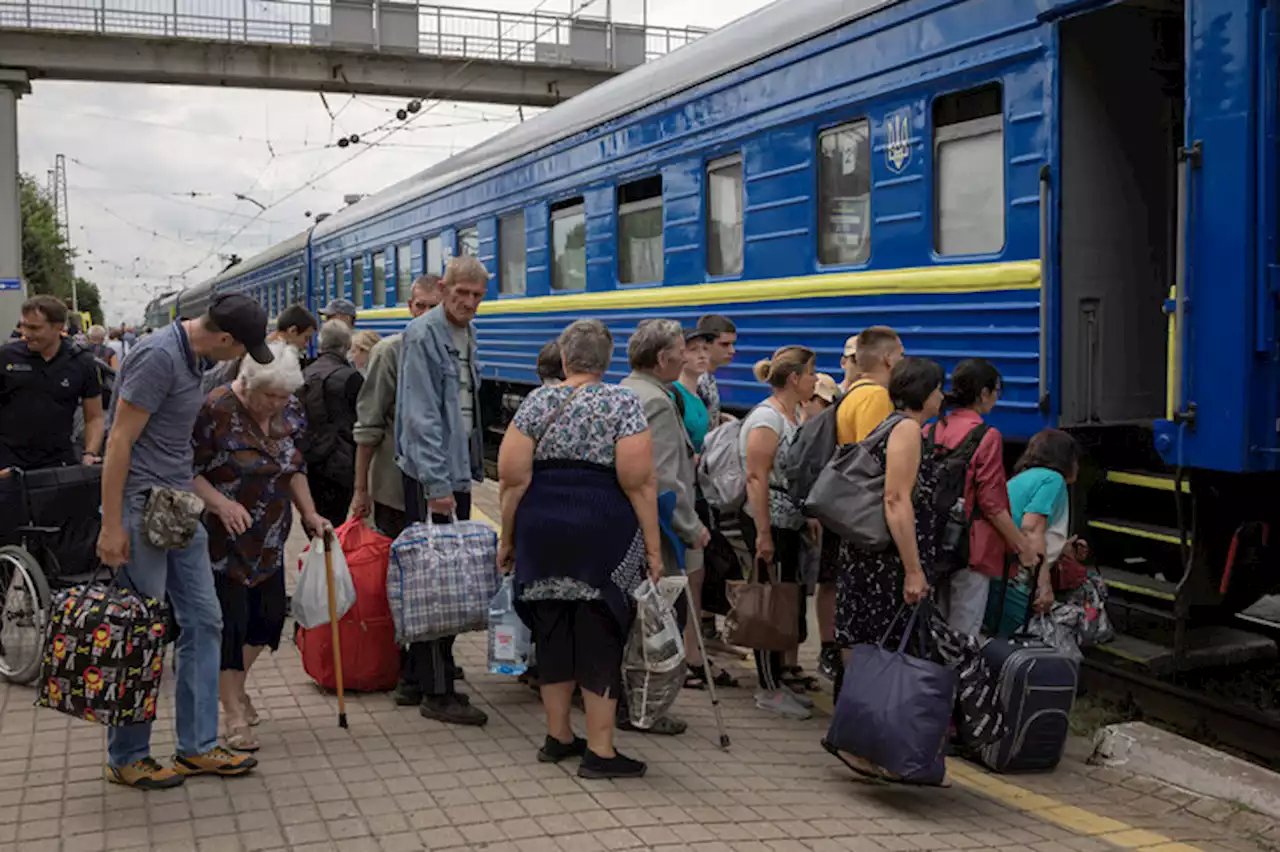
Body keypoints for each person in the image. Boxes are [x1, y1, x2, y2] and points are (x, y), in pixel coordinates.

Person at [96, 292, 271, 789]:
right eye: (238, 349)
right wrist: (112, 525)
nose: (236, 359)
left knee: (203, 620)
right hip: (139, 506)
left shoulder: (192, 359)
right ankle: (127, 754)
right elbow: (118, 441)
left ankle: (196, 747)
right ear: (222, 338)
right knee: (144, 632)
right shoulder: (157, 357)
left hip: (176, 509)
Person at [498, 319, 663, 779]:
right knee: (600, 633)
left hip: (542, 528)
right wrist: (652, 548)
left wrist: (508, 538)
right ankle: (602, 751)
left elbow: (512, 480)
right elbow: (639, 482)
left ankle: (558, 737)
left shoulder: (536, 401)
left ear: (565, 359)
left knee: (552, 630)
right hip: (601, 531)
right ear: (607, 362)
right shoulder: (622, 402)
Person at [192, 342, 330, 752]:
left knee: (268, 621)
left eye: (283, 396)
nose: (276, 404)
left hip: (270, 534)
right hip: (223, 535)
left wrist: (310, 514)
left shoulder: (292, 410)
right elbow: (187, 469)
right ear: (247, 383)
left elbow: (294, 468)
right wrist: (220, 502)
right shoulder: (215, 408)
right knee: (231, 624)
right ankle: (233, 712)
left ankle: (235, 689)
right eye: (269, 396)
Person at [395, 257, 488, 726]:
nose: (468, 302)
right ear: (445, 287)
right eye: (461, 293)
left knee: (443, 574)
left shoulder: (467, 334)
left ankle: (418, 676)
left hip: (452, 472)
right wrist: (436, 485)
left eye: (476, 295)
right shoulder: (425, 334)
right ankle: (438, 690)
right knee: (438, 580)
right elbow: (422, 416)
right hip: (435, 477)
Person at [621, 321, 728, 712]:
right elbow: (665, 477)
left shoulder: (626, 389)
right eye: (681, 349)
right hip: (659, 527)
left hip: (628, 521)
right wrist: (690, 527)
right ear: (663, 358)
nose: (686, 355)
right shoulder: (658, 403)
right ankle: (646, 706)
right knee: (659, 616)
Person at [349, 274, 442, 707]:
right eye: (420, 306)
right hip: (392, 487)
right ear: (409, 307)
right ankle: (408, 667)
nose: (425, 315)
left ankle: (427, 660)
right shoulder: (390, 353)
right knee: (403, 580)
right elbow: (367, 426)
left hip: (438, 487)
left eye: (433, 307)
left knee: (436, 581)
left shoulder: (452, 349)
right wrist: (360, 489)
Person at [834, 357, 945, 704]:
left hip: (869, 555)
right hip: (887, 562)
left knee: (863, 642)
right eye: (939, 389)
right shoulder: (908, 430)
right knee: (881, 646)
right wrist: (913, 570)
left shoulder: (888, 423)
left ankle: (853, 727)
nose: (942, 397)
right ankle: (862, 733)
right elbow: (896, 498)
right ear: (924, 393)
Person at [925, 359, 1037, 637]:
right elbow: (992, 503)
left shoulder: (930, 430)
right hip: (970, 546)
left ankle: (931, 680)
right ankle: (958, 680)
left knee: (935, 626)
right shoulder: (986, 436)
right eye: (997, 391)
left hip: (932, 541)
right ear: (983, 394)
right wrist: (1021, 545)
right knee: (964, 631)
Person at [818, 325, 904, 681]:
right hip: (862, 515)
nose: (902, 361)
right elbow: (874, 462)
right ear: (886, 358)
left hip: (846, 510)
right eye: (899, 354)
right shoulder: (875, 398)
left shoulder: (853, 393)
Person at [738, 346, 818, 720]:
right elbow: (756, 476)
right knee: (768, 605)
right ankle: (767, 687)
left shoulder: (792, 414)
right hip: (769, 521)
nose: (816, 380)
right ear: (794, 379)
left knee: (782, 601)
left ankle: (776, 682)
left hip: (789, 522)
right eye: (813, 373)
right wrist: (763, 533)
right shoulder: (767, 419)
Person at [991, 429, 1085, 634]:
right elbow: (1031, 530)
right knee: (1018, 634)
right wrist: (1044, 585)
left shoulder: (1024, 478)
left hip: (996, 564)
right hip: (1009, 571)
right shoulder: (1053, 480)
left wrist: (1062, 548)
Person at [0, 296, 105, 471]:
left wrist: (90, 454)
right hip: (7, 467)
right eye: (24, 325)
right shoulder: (5, 357)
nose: (26, 333)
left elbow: (94, 417)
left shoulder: (81, 362)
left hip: (58, 467)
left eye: (34, 328)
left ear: (58, 327)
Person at [301, 320, 364, 527]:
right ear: (346, 346)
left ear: (321, 345)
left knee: (316, 522)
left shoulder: (305, 375)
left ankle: (318, 557)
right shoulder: (351, 377)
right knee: (335, 523)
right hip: (343, 461)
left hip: (311, 461)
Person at [201, 304, 318, 394]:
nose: (306, 344)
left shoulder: (261, 348)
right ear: (292, 331)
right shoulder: (266, 358)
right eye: (306, 338)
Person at [674, 327, 715, 454]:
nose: (702, 355)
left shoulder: (700, 396)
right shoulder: (674, 395)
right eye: (693, 350)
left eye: (705, 349)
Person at [695, 314, 737, 426]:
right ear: (705, 344)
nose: (732, 350)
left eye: (733, 344)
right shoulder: (698, 381)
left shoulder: (709, 378)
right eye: (725, 344)